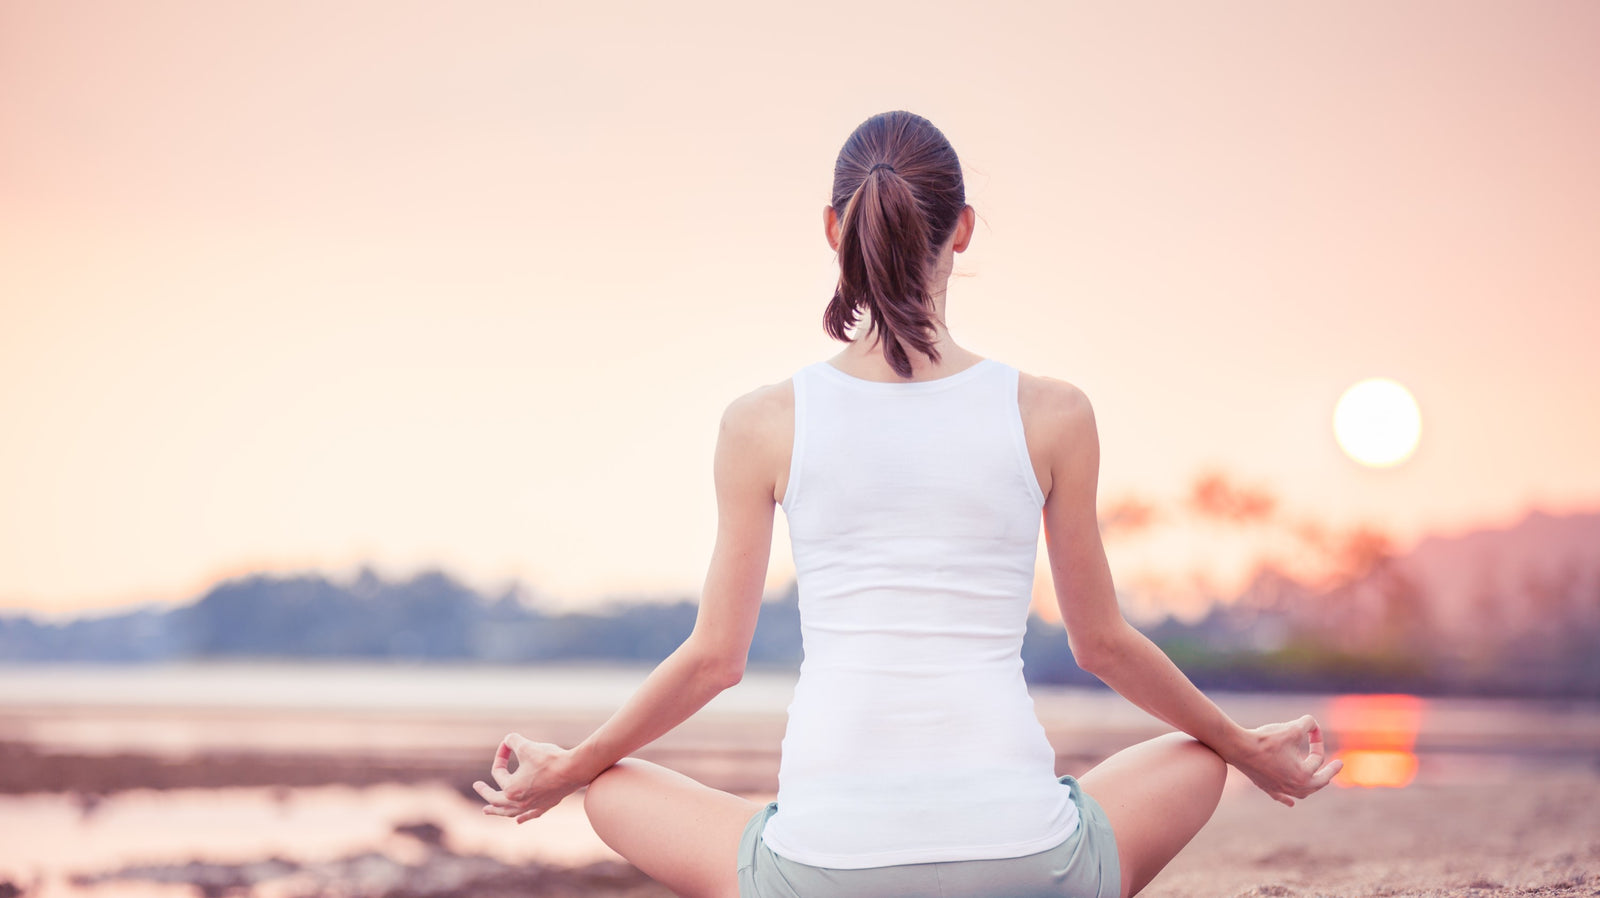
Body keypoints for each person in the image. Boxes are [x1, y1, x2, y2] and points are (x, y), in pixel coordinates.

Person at [473, 109, 1344, 898]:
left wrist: (575, 765)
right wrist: (1244, 748)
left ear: (831, 230)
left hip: (824, 876)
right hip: (1022, 866)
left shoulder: (762, 422)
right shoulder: (1052, 413)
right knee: (1195, 758)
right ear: (961, 231)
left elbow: (714, 661)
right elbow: (1103, 645)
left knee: (615, 790)